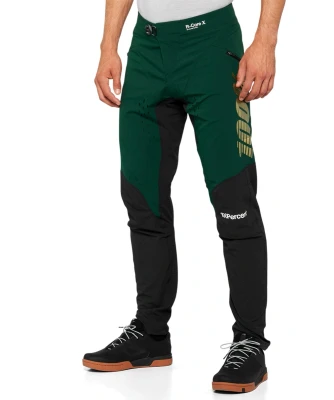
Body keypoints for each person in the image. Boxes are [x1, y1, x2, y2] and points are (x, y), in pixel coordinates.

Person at [83, 0, 285, 393]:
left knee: (234, 201)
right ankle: (151, 333)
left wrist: (266, 41)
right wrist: (109, 45)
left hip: (212, 47)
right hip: (147, 49)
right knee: (142, 197)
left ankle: (250, 341)